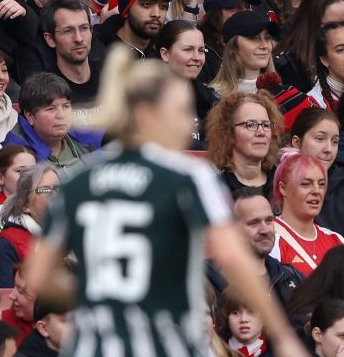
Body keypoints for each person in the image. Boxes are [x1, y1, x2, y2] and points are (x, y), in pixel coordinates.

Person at [16, 57, 301, 357]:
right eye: (179, 112)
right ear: (146, 114)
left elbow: (38, 276)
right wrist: (283, 337)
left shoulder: (77, 179)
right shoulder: (187, 177)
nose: (189, 123)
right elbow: (235, 259)